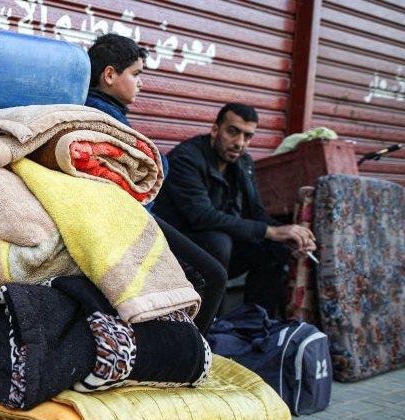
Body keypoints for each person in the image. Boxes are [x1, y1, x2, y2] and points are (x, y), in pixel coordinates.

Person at [84, 33, 226, 334]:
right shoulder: (104, 117)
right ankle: (193, 354)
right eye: (136, 75)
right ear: (109, 75)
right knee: (211, 274)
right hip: (129, 222)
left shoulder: (103, 112)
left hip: (131, 219)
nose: (141, 83)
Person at [153, 103, 316, 318]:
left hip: (218, 251)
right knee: (219, 241)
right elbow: (202, 217)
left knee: (275, 247)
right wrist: (271, 231)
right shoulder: (187, 158)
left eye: (247, 136)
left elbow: (256, 213)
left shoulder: (243, 163)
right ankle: (211, 326)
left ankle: (254, 323)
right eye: (233, 132)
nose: (239, 143)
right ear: (215, 129)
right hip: (174, 251)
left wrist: (291, 235)